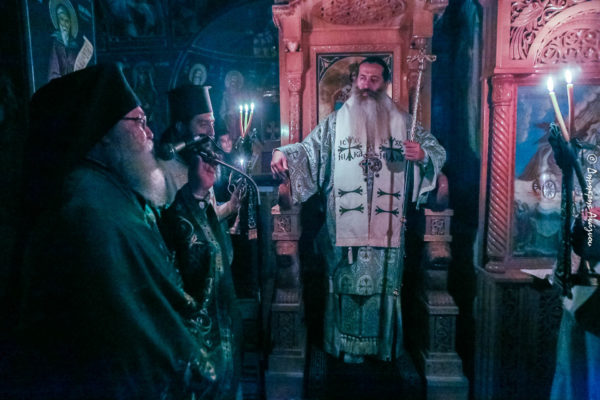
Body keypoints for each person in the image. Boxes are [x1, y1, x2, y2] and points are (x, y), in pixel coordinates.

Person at [3, 64, 220, 399]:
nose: (150, 134)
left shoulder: (105, 188)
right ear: (103, 130)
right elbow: (139, 331)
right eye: (140, 122)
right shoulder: (90, 210)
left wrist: (196, 194)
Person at [271, 56, 446, 363]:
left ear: (385, 84)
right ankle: (344, 347)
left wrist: (422, 155)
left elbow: (437, 152)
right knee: (344, 285)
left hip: (387, 230)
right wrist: (280, 152)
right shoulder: (335, 124)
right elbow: (307, 152)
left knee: (383, 287)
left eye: (374, 79)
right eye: (362, 78)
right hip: (343, 230)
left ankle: (382, 348)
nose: (366, 85)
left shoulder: (404, 123)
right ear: (354, 81)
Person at [158, 84, 242, 399]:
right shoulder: (161, 170)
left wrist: (229, 208)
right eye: (202, 124)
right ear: (182, 128)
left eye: (212, 123)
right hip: (188, 300)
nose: (211, 131)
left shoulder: (202, 160)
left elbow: (205, 219)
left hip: (217, 289)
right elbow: (175, 232)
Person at [48, 1, 80, 81]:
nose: (64, 24)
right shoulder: (55, 43)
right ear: (58, 21)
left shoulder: (74, 45)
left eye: (67, 21)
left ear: (70, 23)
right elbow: (53, 73)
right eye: (61, 19)